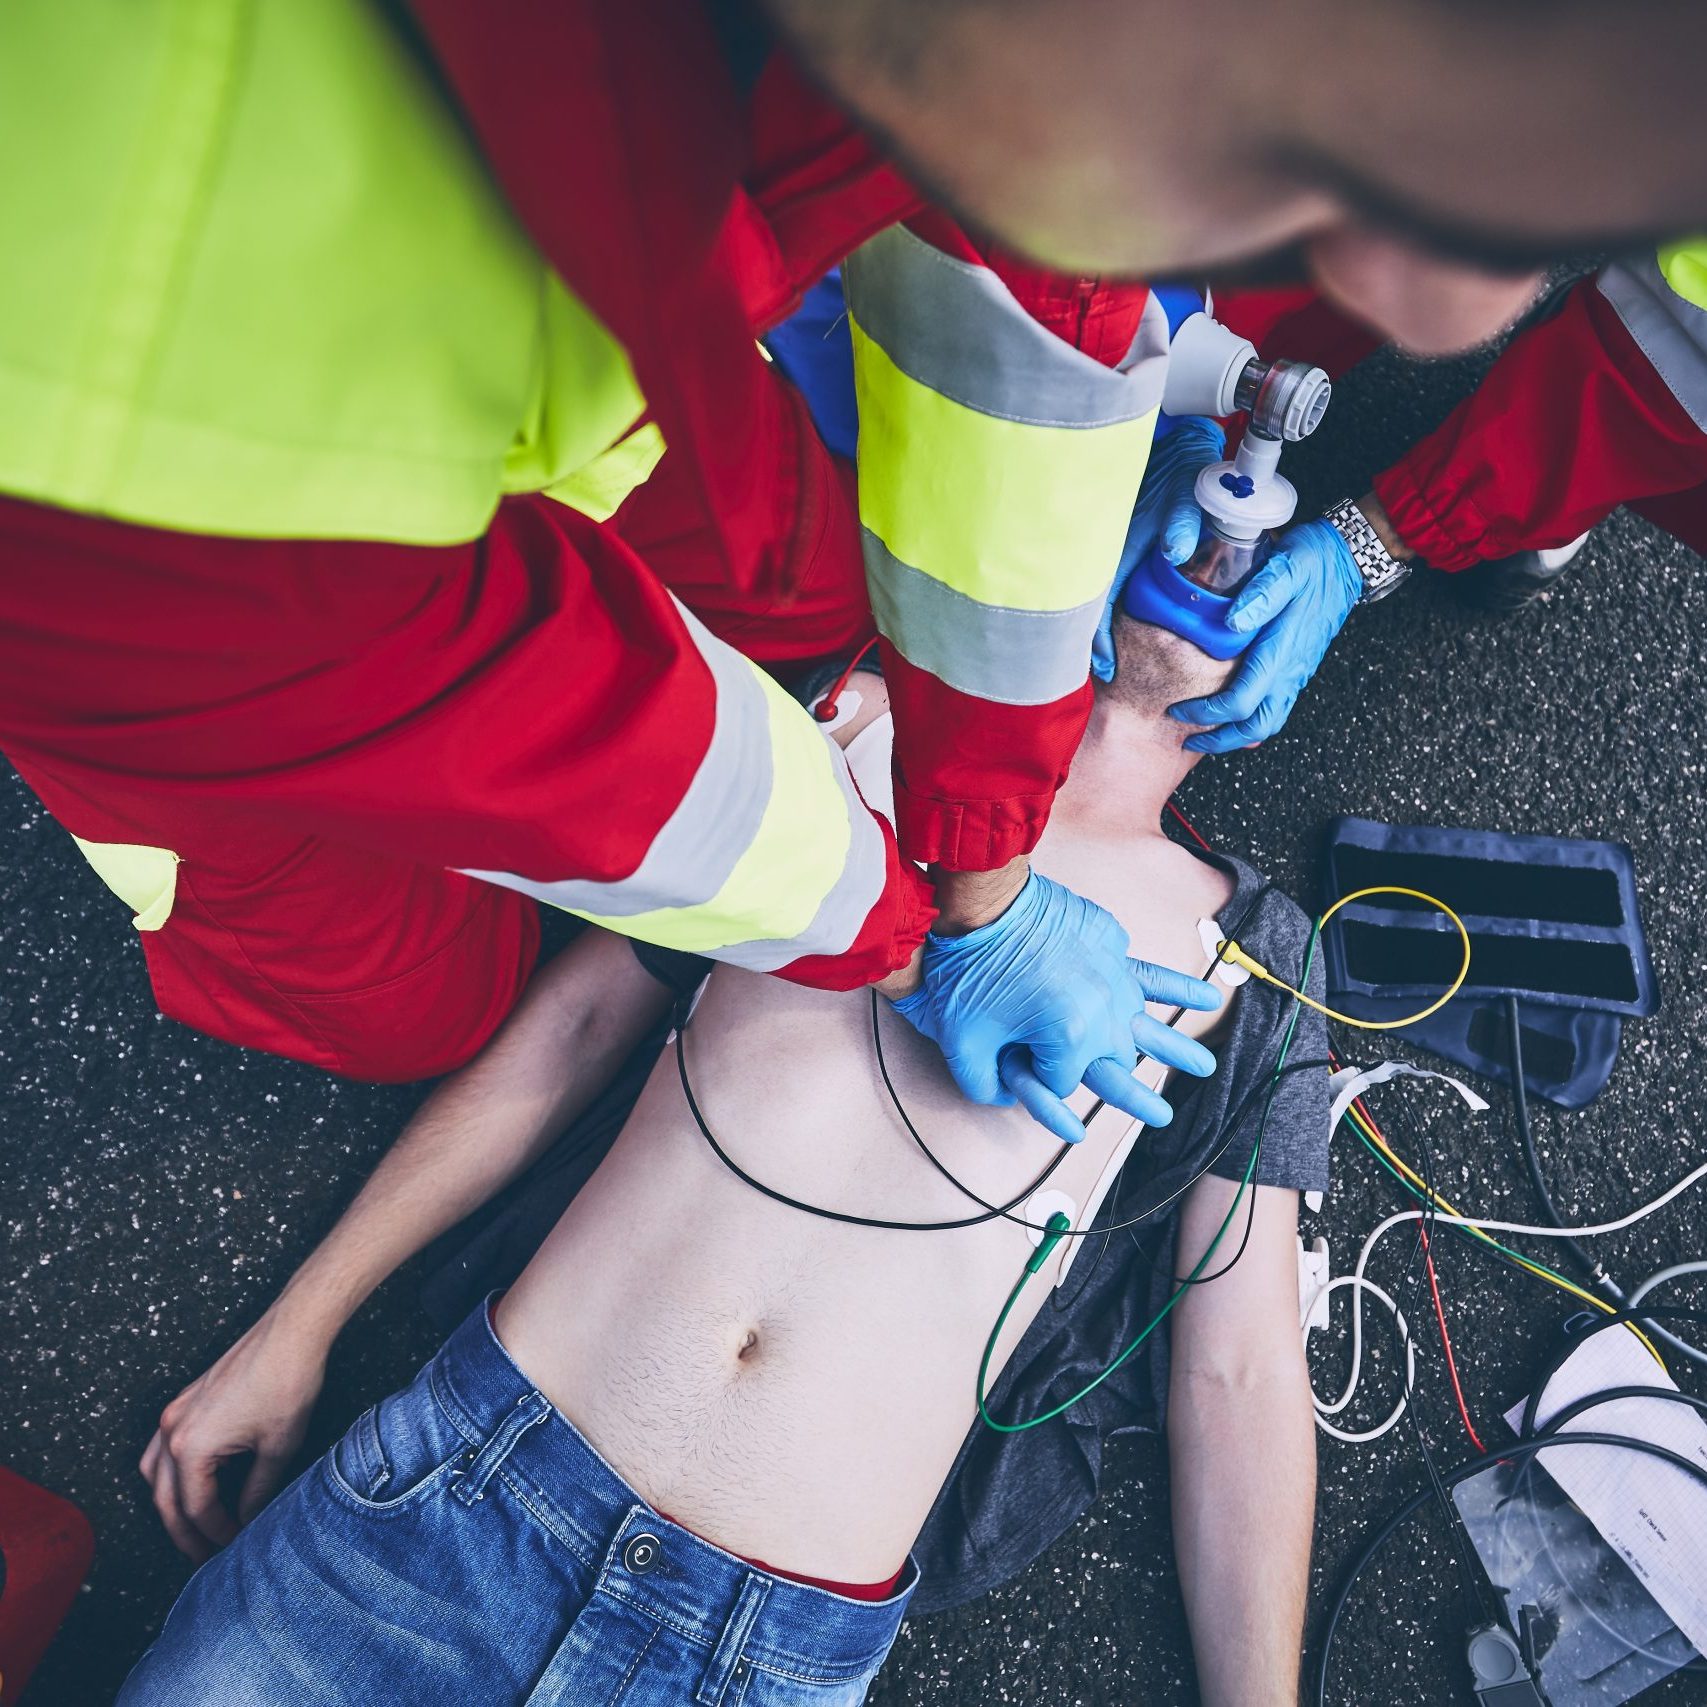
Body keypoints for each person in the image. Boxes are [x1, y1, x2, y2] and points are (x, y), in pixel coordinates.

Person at [3, 2, 1703, 1131]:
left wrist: (978, 844)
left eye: (1534, 219)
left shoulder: (1037, 54)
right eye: (1337, 153)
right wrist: (912, 924)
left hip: (577, 311)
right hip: (161, 562)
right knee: (418, 1003)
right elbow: (557, 752)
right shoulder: (112, 396)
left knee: (812, 587)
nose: (1424, 324)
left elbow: (1014, 330)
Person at [124, 610, 1329, 1707]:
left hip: (762, 1655)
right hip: (457, 1500)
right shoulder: (844, 721)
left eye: (1269, 546)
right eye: (1196, 494)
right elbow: (578, 1025)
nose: (1222, 549)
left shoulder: (1260, 962)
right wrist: (297, 1326)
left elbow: (1241, 1373)